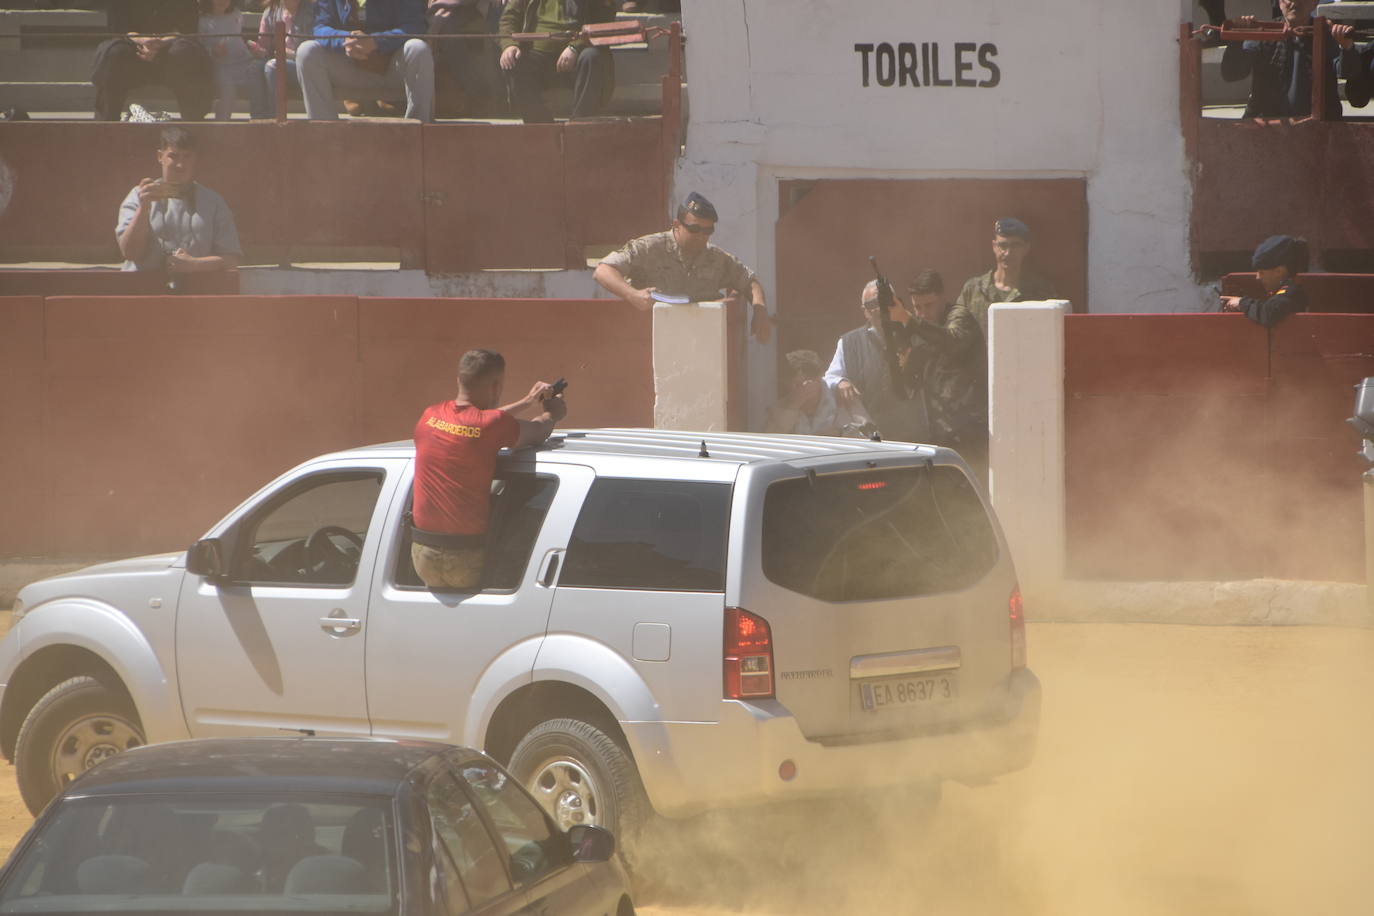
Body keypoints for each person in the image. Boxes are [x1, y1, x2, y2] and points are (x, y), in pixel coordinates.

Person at [410, 349, 567, 589]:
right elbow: (538, 432)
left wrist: (526, 402)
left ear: (459, 380)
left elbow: (478, 421)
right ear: (496, 387)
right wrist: (552, 413)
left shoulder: (430, 416)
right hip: (465, 557)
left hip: (422, 555)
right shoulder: (491, 426)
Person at [594, 192, 775, 344]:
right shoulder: (649, 248)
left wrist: (760, 311)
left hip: (699, 342)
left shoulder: (716, 258)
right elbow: (603, 270)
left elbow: (749, 281)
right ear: (677, 225)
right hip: (649, 340)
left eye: (708, 231)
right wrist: (633, 295)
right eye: (694, 229)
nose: (701, 236)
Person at [116, 127, 242, 278]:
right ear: (160, 156)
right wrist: (143, 209)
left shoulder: (213, 202)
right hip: (142, 285)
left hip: (194, 288)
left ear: (195, 159)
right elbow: (130, 253)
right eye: (173, 156)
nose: (180, 165)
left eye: (187, 157)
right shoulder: (139, 195)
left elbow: (231, 261)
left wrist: (194, 264)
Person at [1220, 0, 1370, 119]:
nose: (1295, 2)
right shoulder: (1264, 34)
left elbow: (1348, 72)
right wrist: (1236, 41)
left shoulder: (1327, 34)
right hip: (1268, 126)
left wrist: (1346, 47)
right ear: (1280, 2)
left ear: (1315, 2)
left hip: (1317, 128)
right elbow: (1231, 74)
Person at [824, 279, 928, 443]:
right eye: (872, 304)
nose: (879, 309)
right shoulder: (849, 343)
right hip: (869, 438)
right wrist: (840, 382)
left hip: (912, 437)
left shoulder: (915, 336)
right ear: (865, 311)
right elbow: (830, 377)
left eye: (884, 302)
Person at [297, 0, 435, 122]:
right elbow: (319, 28)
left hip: (393, 67)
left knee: (418, 48)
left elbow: (415, 26)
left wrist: (376, 41)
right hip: (349, 66)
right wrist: (345, 39)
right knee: (307, 51)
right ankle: (324, 133)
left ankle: (418, 131)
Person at [905, 268, 988, 467]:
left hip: (968, 430)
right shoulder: (921, 329)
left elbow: (952, 341)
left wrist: (912, 322)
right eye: (917, 307)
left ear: (942, 298)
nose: (923, 313)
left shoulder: (959, 316)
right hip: (938, 430)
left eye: (929, 305)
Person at [91, 0, 213, 122]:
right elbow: (118, 27)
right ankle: (108, 122)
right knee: (114, 54)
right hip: (132, 46)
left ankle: (192, 122)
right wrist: (143, 40)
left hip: (171, 47)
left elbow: (187, 28)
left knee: (186, 53)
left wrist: (161, 42)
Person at [499, 0, 617, 123]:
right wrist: (509, 45)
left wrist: (576, 47)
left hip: (579, 56)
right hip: (536, 55)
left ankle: (580, 124)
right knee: (513, 62)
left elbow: (603, 22)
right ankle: (541, 125)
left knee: (592, 57)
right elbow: (509, 18)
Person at [953, 217, 1057, 341]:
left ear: (1026, 248)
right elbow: (955, 336)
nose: (1008, 253)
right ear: (994, 246)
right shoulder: (973, 290)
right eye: (1003, 245)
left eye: (1015, 246)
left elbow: (1052, 335)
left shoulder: (1041, 292)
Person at [427, 0, 503, 116]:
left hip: (469, 8)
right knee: (444, 30)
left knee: (450, 32)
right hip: (440, 11)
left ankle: (485, 97)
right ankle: (475, 96)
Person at [197, 0, 270, 120]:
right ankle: (223, 122)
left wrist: (252, 48)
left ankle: (258, 117)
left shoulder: (236, 14)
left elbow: (237, 38)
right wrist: (213, 50)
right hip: (221, 64)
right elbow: (200, 46)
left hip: (243, 61)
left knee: (257, 74)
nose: (222, 2)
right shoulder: (204, 20)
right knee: (227, 88)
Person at [1220, 234, 1309, 327]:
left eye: (1261, 272)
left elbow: (1269, 313)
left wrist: (1242, 303)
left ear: (1279, 271)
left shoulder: (1290, 292)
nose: (1257, 277)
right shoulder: (1286, 290)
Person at [764, 350, 844, 436]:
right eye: (796, 384)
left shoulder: (840, 396)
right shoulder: (779, 409)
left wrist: (839, 433)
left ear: (818, 379)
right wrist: (793, 406)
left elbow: (854, 430)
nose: (801, 389)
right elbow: (770, 438)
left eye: (806, 382)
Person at [253, 0, 317, 105]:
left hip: (302, 65)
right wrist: (258, 50)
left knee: (273, 66)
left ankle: (275, 113)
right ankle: (259, 114)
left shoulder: (312, 11)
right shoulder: (271, 12)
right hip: (275, 59)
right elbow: (265, 46)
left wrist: (291, 54)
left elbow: (314, 51)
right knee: (255, 68)